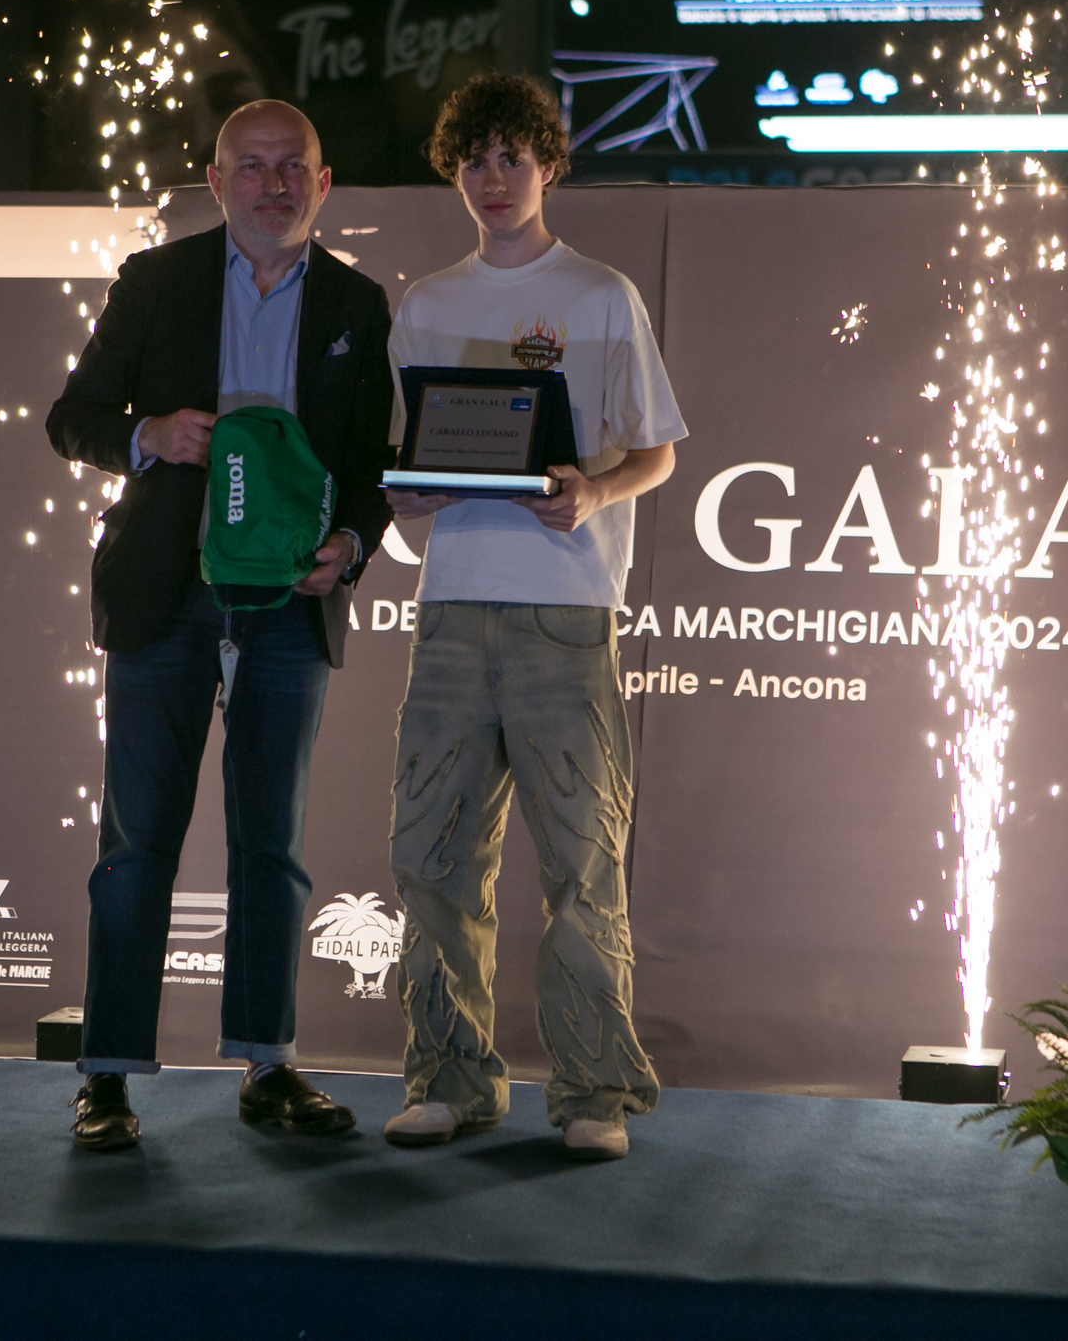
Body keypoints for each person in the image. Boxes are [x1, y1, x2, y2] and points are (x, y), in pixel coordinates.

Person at [45, 99, 395, 1152]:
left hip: (287, 601)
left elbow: (370, 465)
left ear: (322, 184)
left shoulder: (357, 303)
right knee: (135, 844)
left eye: (294, 167)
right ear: (216, 179)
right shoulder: (156, 281)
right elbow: (73, 418)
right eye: (253, 166)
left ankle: (266, 1064)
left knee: (271, 846)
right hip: (165, 595)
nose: (274, 185)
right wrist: (148, 434)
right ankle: (106, 1076)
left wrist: (350, 543)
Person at [379, 74, 686, 1162]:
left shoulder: (601, 295)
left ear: (549, 165)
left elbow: (656, 452)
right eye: (474, 159)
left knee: (582, 862)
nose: (493, 178)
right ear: (453, 172)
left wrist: (596, 492)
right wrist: (406, 494)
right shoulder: (425, 303)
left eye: (513, 157)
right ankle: (448, 1079)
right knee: (432, 857)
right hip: (451, 607)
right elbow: (404, 465)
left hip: (567, 609)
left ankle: (595, 1092)